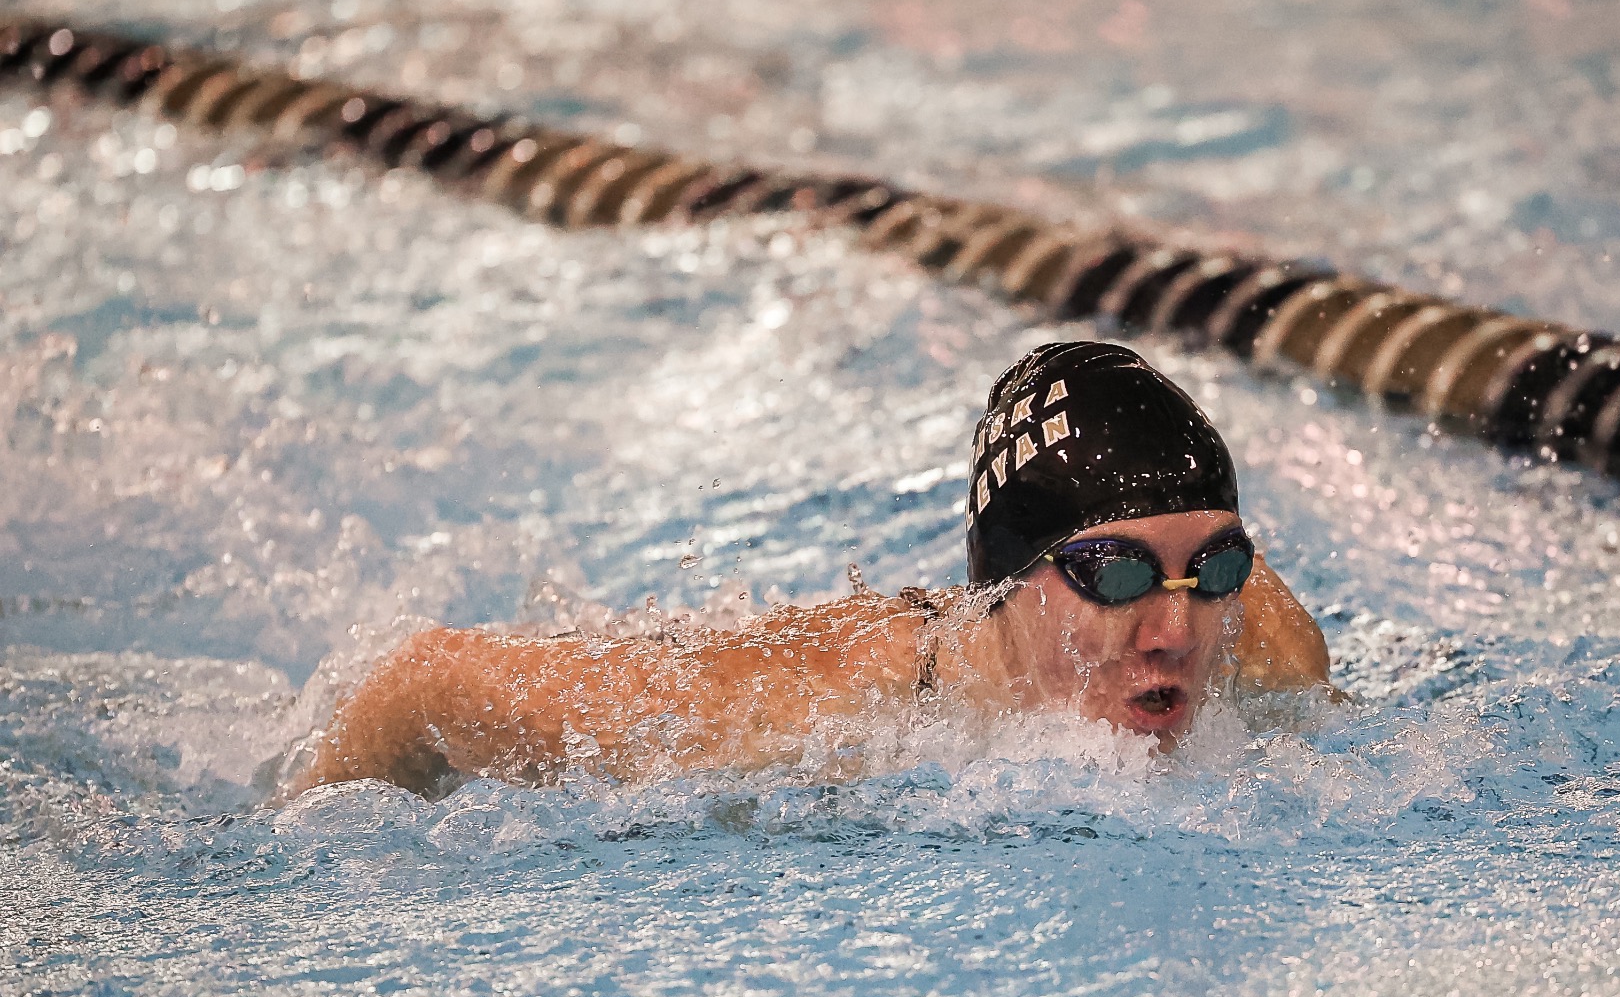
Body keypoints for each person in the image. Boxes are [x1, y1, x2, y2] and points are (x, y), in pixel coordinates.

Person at [295, 342, 1336, 795]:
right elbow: (421, 682)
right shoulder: (815, 713)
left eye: (1215, 568)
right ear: (1003, 581)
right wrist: (300, 840)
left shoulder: (1263, 649)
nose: (1174, 632)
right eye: (1114, 576)